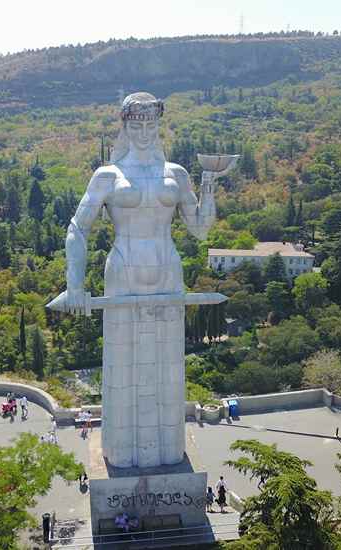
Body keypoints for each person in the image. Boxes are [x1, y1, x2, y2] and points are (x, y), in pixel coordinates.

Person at [50, 92, 219, 469]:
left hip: (167, 269)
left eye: (151, 124)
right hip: (123, 270)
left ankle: (170, 453)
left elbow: (201, 230)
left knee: (169, 370)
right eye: (136, 124)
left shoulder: (176, 174)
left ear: (159, 127)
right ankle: (121, 456)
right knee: (122, 366)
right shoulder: (107, 176)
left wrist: (208, 184)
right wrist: (74, 285)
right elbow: (78, 228)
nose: (144, 132)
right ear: (124, 127)